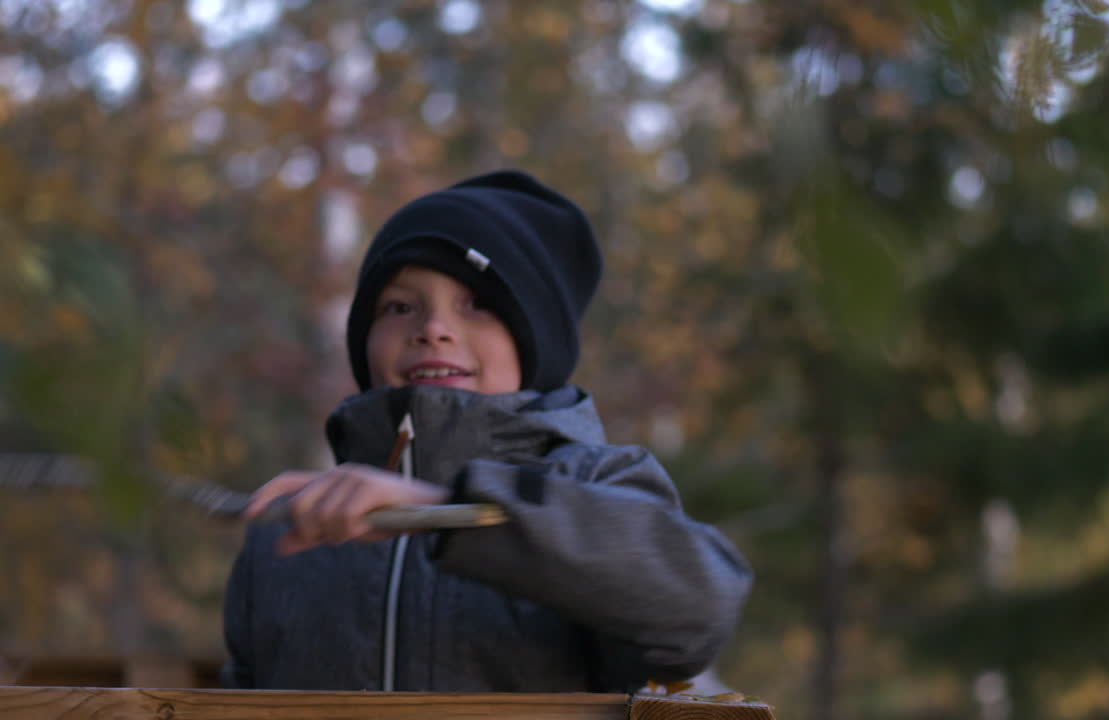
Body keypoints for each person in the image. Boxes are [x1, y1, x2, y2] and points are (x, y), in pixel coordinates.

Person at [221, 170, 752, 694]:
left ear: (536, 337)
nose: (433, 329)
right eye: (400, 306)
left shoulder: (601, 484)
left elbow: (697, 604)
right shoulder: (294, 531)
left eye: (478, 303)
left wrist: (438, 507)